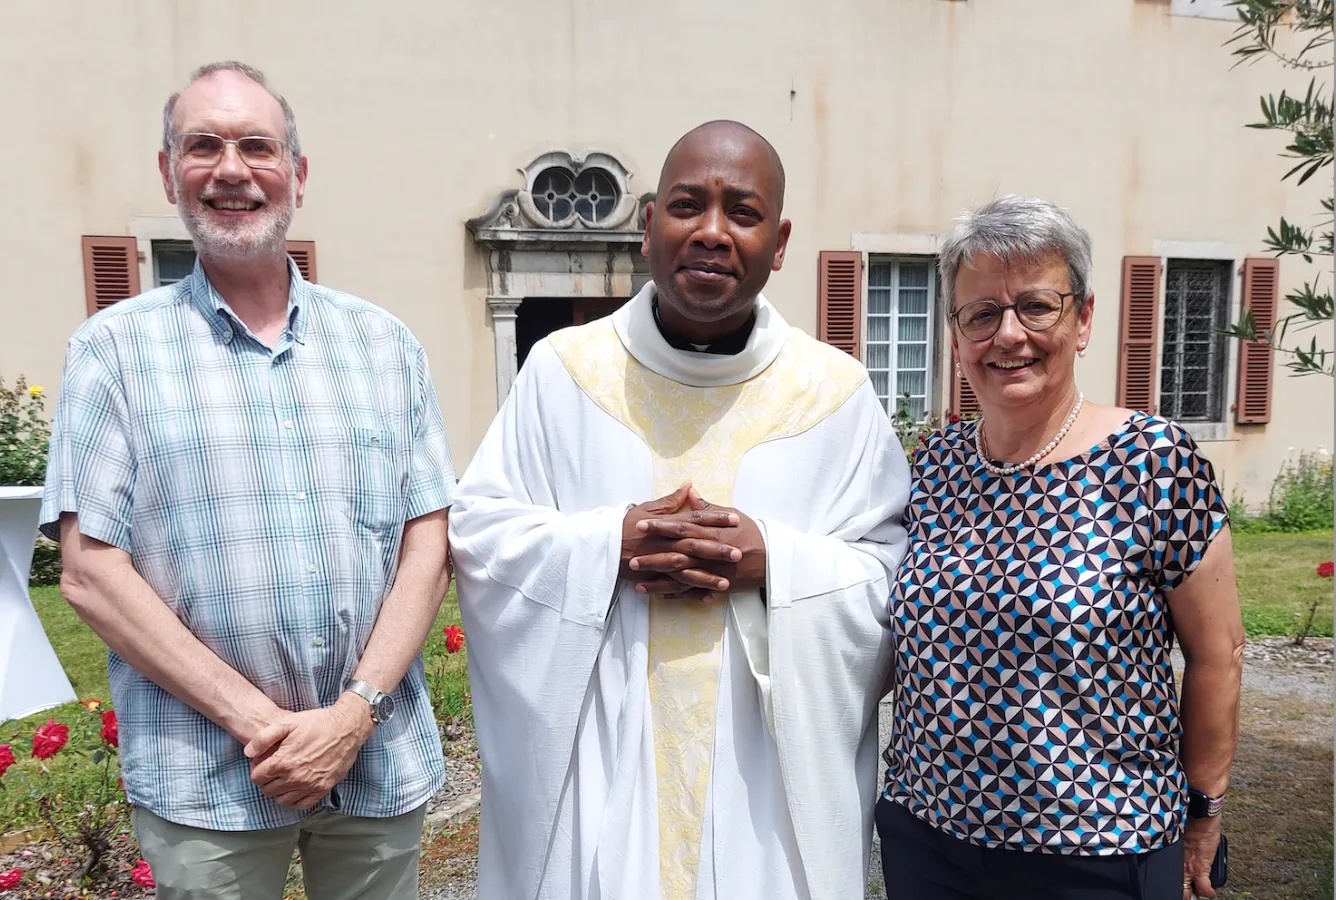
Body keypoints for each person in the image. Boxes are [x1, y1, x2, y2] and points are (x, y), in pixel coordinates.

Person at [447, 120, 910, 900]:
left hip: (764, 784)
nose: (712, 233)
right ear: (649, 224)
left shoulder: (834, 395)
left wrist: (775, 564)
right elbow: (483, 534)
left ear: (782, 238)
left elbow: (893, 572)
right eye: (689, 206)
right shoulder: (563, 374)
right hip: (600, 770)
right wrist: (609, 547)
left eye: (744, 212)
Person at [40, 61, 456, 900]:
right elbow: (88, 573)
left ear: (296, 174)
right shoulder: (113, 352)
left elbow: (427, 542)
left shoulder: (384, 345)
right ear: (169, 172)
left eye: (257, 147)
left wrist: (351, 717)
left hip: (373, 754)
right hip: (209, 774)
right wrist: (265, 728)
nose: (232, 170)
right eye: (204, 146)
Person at [878, 195, 1245, 900]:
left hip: (1096, 847)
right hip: (928, 835)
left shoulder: (1154, 461)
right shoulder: (936, 463)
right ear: (956, 338)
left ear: (1083, 319)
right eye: (981, 314)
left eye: (1036, 306)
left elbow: (1217, 652)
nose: (1008, 335)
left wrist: (1205, 813)